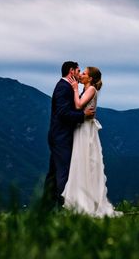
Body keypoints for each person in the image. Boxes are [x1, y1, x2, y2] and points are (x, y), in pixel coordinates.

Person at [62, 66, 122, 217]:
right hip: (83, 127)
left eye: (84, 73)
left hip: (85, 129)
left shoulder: (91, 90)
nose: (81, 75)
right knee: (82, 161)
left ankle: (86, 201)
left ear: (90, 78)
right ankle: (80, 199)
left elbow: (78, 105)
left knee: (85, 161)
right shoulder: (88, 89)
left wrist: (75, 89)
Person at [43, 61, 95, 209]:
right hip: (61, 136)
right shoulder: (63, 88)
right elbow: (63, 113)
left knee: (53, 174)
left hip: (60, 136)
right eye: (78, 71)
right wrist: (83, 115)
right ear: (71, 71)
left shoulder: (66, 87)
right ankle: (64, 206)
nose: (79, 74)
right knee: (64, 172)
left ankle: (46, 207)